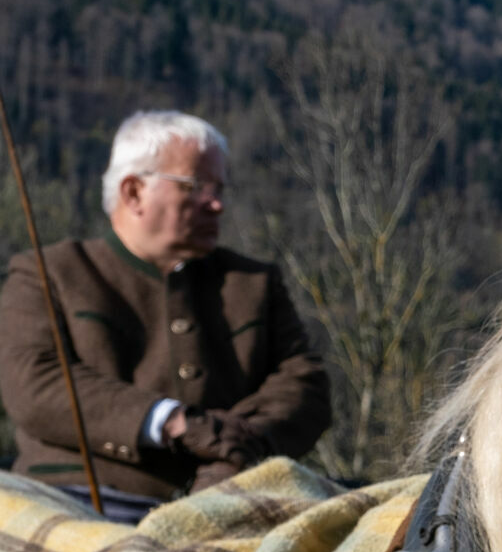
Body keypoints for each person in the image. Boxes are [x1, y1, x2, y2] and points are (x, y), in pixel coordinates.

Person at [0, 111, 331, 522]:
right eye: (197, 187)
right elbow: (33, 382)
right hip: (76, 503)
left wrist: (237, 450)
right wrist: (174, 422)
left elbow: (306, 386)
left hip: (232, 502)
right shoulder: (51, 272)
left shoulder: (252, 282)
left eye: (220, 189)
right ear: (134, 192)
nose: (217, 203)